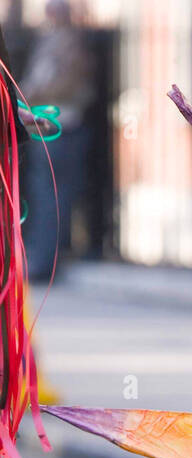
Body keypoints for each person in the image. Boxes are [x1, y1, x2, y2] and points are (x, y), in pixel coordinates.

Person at [20, 0, 95, 282]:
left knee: (50, 195)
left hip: (57, 126)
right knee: (48, 195)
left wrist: (31, 95)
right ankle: (45, 257)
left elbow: (58, 85)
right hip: (50, 124)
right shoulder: (56, 41)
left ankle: (45, 260)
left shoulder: (65, 45)